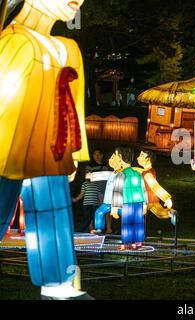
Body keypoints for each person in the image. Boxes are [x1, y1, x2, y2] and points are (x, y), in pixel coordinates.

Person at [0, 0, 91, 299]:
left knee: (55, 214)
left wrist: (75, 154)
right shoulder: (14, 41)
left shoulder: (69, 49)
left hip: (51, 151)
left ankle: (59, 284)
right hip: (8, 148)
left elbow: (75, 108)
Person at [110, 146, 149, 250]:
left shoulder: (121, 175)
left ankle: (127, 243)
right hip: (139, 202)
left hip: (127, 203)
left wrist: (114, 207)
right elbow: (143, 189)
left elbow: (117, 191)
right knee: (138, 222)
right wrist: (145, 204)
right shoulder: (137, 173)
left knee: (127, 223)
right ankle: (138, 242)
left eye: (117, 155)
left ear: (120, 157)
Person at [85, 149, 113, 233]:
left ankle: (108, 228)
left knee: (107, 208)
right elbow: (87, 178)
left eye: (98, 154)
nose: (96, 156)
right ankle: (92, 228)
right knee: (93, 209)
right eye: (94, 154)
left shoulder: (106, 166)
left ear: (102, 155)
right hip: (94, 190)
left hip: (105, 190)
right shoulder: (90, 166)